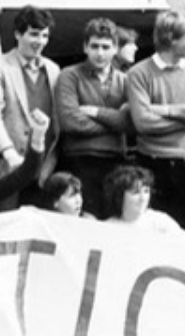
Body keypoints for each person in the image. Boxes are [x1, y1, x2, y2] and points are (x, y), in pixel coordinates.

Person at [126, 9, 185, 235]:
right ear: (171, 39)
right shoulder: (138, 73)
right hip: (151, 166)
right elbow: (143, 123)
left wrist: (164, 110)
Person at [0, 5, 59, 209]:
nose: (39, 41)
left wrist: (48, 164)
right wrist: (8, 152)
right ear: (17, 34)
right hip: (8, 168)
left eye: (44, 35)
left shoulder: (53, 69)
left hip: (42, 172)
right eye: (33, 34)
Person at [56, 18, 131, 219]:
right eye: (94, 46)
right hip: (80, 159)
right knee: (86, 219)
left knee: (113, 219)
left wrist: (97, 113)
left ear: (115, 48)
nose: (100, 53)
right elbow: (70, 122)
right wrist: (115, 123)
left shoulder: (125, 81)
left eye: (106, 47)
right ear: (85, 47)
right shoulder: (69, 76)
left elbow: (131, 122)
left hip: (116, 160)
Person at [97, 164, 185, 237]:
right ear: (119, 196)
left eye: (146, 191)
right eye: (136, 192)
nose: (143, 198)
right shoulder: (108, 228)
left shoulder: (161, 222)